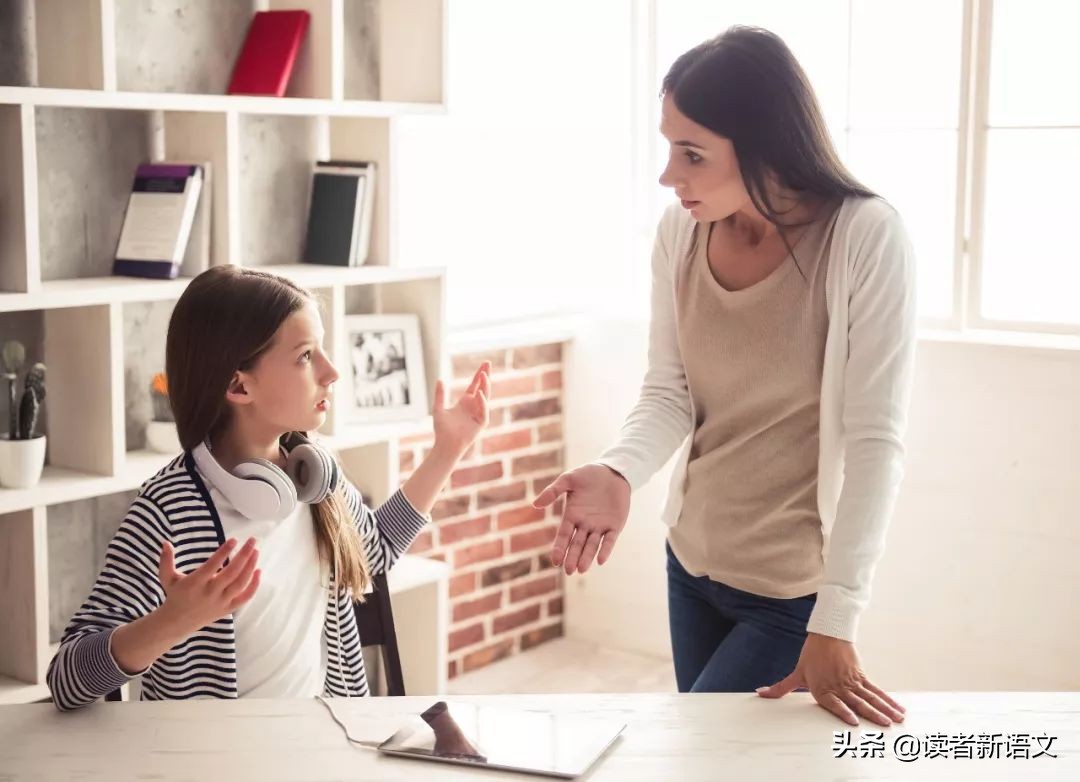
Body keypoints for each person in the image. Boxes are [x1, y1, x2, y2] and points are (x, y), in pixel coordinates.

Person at [534, 26, 916, 728]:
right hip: (692, 566)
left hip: (789, 594)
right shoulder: (680, 234)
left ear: (764, 142)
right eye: (668, 146)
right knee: (715, 757)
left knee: (697, 759)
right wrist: (619, 471)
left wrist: (837, 617)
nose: (668, 175)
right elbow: (670, 392)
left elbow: (875, 441)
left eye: (692, 153)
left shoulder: (863, 237)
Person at [47, 265, 491, 710]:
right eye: (305, 356)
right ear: (239, 385)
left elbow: (373, 551)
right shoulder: (167, 511)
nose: (332, 371)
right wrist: (170, 622)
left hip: (325, 744)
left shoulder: (314, 475)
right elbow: (66, 680)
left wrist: (447, 451)